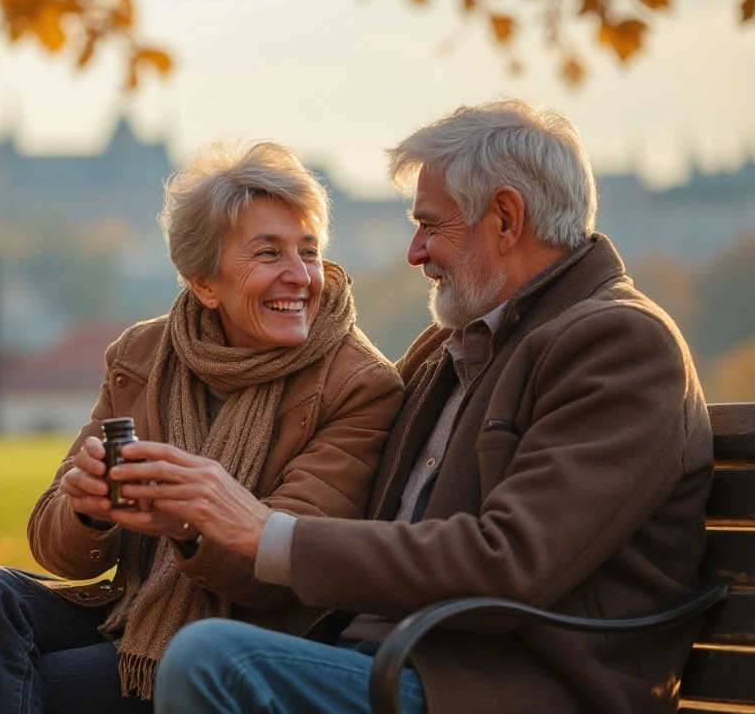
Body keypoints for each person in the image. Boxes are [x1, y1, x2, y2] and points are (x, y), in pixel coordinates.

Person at [133, 99, 713, 714]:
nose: (415, 252)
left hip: (494, 687)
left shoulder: (621, 344)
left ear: (506, 219)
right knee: (58, 628)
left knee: (210, 661)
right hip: (383, 661)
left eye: (431, 226)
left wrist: (265, 531)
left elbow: (506, 562)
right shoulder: (455, 345)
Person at [0, 140, 404, 714]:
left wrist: (191, 522)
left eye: (309, 251)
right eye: (269, 254)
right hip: (130, 614)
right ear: (205, 282)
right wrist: (88, 510)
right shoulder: (145, 354)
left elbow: (285, 568)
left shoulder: (358, 384)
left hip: (241, 644)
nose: (299, 277)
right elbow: (56, 545)